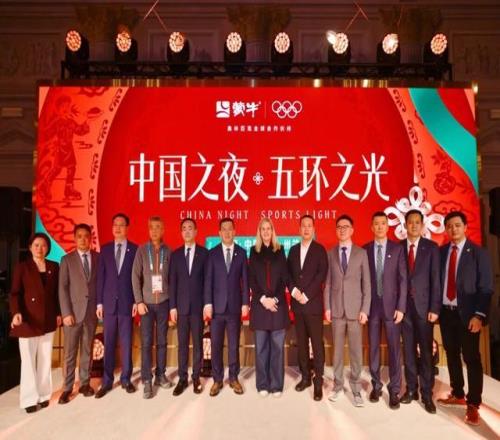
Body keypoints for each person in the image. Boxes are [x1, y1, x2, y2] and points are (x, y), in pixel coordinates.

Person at [437, 211, 493, 426]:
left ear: (465, 227)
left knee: (471, 358)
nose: (453, 229)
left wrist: (479, 315)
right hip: (446, 313)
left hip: (469, 315)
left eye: (457, 225)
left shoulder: (478, 253)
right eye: (449, 226)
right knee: (451, 354)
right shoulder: (442, 252)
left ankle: (473, 403)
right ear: (446, 229)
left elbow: (486, 288)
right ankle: (458, 393)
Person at [10, 232, 61, 413]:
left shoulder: (54, 266)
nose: (40, 249)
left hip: (48, 319)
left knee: (45, 359)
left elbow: (57, 294)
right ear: (30, 247)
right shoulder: (22, 267)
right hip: (28, 320)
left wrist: (59, 313)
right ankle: (29, 399)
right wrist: (16, 313)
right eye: (36, 245)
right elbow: (15, 293)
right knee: (28, 361)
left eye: (44, 245)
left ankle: (44, 395)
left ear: (48, 248)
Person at [324, 214, 371, 407]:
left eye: (345, 227)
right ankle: (337, 385)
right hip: (336, 310)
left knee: (355, 352)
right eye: (339, 227)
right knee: (337, 352)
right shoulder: (331, 253)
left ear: (352, 230)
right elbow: (328, 283)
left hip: (355, 310)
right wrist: (327, 307)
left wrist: (365, 309)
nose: (342, 230)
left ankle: (356, 388)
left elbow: (366, 284)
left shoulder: (361, 253)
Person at [364, 211, 407, 409]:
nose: (380, 227)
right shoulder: (365, 250)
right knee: (373, 347)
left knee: (394, 350)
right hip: (372, 308)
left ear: (387, 226)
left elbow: (403, 280)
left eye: (383, 223)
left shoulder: (397, 249)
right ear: (371, 227)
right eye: (376, 223)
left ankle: (395, 389)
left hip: (392, 308)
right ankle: (376, 385)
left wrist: (401, 307)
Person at [399, 209, 441, 414]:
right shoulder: (398, 247)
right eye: (410, 222)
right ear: (405, 225)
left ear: (422, 225)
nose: (414, 225)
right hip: (404, 309)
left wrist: (434, 307)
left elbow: (436, 279)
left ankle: (426, 394)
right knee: (408, 351)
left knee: (425, 352)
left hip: (425, 309)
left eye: (417, 222)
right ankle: (411, 390)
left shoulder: (431, 248)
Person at [203, 218, 249, 397]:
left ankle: (234, 378)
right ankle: (217, 379)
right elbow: (208, 280)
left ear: (235, 232)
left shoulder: (241, 253)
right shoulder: (212, 254)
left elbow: (245, 281)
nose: (227, 232)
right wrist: (207, 303)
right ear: (219, 233)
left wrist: (245, 303)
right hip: (216, 308)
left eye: (230, 229)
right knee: (216, 346)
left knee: (233, 346)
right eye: (224, 229)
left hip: (235, 308)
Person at [95, 213, 138, 398]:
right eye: (115, 225)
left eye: (121, 225)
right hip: (109, 305)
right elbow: (101, 278)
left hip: (128, 303)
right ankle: (107, 381)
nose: (118, 228)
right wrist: (99, 303)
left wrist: (137, 300)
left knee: (127, 343)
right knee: (109, 343)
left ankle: (126, 379)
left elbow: (137, 278)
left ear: (127, 228)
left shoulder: (135, 249)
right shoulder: (105, 250)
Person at [287, 215, 328, 401]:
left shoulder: (320, 250)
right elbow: (288, 274)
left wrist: (307, 294)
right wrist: (294, 291)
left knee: (317, 345)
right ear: (299, 229)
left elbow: (321, 274)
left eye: (309, 226)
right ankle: (305, 377)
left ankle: (318, 380)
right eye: (303, 226)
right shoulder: (293, 250)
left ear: (313, 229)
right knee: (301, 343)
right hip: (297, 305)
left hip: (313, 305)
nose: (306, 229)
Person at [249, 218, 290, 398]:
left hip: (277, 306)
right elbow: (252, 279)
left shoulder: (280, 251)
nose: (266, 231)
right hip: (260, 306)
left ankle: (276, 385)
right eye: (263, 229)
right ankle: (263, 384)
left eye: (268, 228)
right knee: (261, 349)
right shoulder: (254, 251)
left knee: (278, 349)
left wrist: (274, 300)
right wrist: (263, 299)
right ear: (259, 232)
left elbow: (284, 279)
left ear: (273, 231)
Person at [58, 224, 99, 404]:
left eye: (86, 236)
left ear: (91, 238)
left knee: (87, 350)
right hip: (72, 314)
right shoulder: (67, 260)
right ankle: (67, 388)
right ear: (75, 238)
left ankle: (84, 383)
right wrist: (66, 312)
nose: (83, 239)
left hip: (91, 313)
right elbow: (62, 288)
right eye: (79, 236)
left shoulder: (98, 258)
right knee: (70, 352)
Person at [132, 216, 172, 399]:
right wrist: (139, 301)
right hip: (146, 305)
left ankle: (160, 375)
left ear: (163, 230)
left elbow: (172, 279)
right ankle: (147, 379)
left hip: (164, 303)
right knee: (147, 343)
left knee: (162, 341)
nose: (155, 230)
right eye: (152, 227)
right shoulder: (142, 250)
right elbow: (135, 277)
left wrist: (172, 304)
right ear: (148, 230)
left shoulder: (168, 251)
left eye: (158, 227)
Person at [169, 218, 208, 396]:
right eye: (184, 228)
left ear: (196, 231)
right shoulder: (176, 255)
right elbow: (172, 283)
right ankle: (182, 379)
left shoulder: (204, 253)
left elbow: (207, 282)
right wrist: (172, 307)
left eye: (190, 228)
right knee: (182, 345)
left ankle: (196, 377)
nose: (187, 231)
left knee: (198, 345)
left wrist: (207, 305)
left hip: (198, 308)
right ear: (181, 232)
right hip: (181, 308)